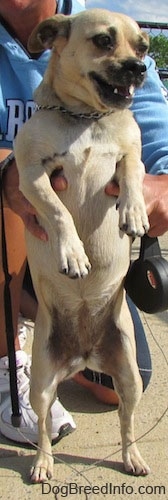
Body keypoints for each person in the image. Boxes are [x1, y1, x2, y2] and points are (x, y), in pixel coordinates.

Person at [0, 0, 168, 443]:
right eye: (103, 46)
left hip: (78, 264)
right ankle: (5, 356)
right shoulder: (69, 34)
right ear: (57, 44)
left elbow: (157, 139)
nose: (129, 61)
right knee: (8, 183)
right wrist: (5, 168)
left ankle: (27, 308)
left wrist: (162, 182)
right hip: (20, 239)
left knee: (122, 384)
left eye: (138, 51)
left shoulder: (106, 28)